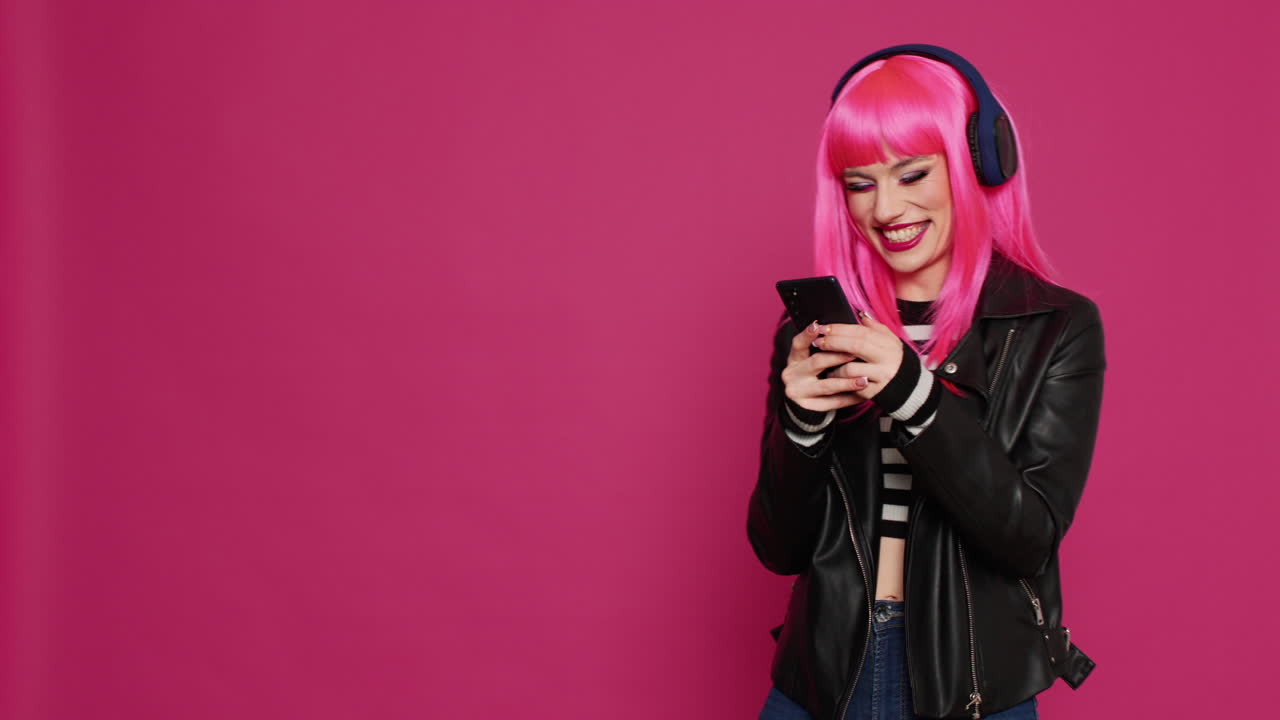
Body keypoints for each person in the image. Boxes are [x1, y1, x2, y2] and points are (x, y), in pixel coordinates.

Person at [747, 45, 1104, 720]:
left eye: (912, 174)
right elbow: (779, 548)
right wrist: (801, 425)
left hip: (971, 684)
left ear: (974, 165)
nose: (886, 208)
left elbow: (1027, 537)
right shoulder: (817, 334)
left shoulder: (1056, 328)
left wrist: (915, 396)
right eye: (860, 183)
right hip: (823, 673)